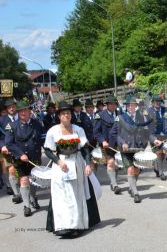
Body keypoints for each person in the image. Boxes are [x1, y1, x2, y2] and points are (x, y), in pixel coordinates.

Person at [44, 101, 100, 237]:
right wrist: (58, 161)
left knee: (76, 194)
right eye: (63, 114)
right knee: (62, 195)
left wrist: (87, 164)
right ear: (59, 116)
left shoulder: (78, 130)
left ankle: (77, 225)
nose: (66, 116)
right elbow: (47, 150)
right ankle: (64, 225)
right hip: (61, 165)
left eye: (68, 113)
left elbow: (85, 149)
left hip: (77, 163)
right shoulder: (53, 131)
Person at [110, 95, 161, 203]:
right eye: (128, 105)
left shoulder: (141, 118)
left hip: (138, 148)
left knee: (137, 170)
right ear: (126, 107)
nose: (130, 107)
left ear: (135, 106)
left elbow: (147, 133)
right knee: (130, 169)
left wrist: (154, 140)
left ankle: (132, 187)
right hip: (126, 149)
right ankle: (136, 192)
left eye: (132, 105)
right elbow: (115, 134)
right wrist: (122, 143)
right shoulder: (120, 118)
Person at [5, 100, 44, 217]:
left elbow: (43, 139)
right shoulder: (12, 126)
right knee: (24, 180)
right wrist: (20, 153)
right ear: (18, 112)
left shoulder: (37, 124)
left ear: (29, 111)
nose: (23, 112)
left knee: (33, 181)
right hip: (20, 158)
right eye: (21, 111)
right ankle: (27, 206)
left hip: (34, 157)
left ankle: (34, 198)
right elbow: (9, 143)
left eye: (25, 110)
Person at [0, 98, 22, 202]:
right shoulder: (1, 120)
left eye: (13, 106)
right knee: (12, 170)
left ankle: (27, 193)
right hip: (8, 150)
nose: (12, 108)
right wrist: (2, 146)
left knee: (24, 172)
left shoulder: (23, 116)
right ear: (6, 109)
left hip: (23, 149)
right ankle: (17, 193)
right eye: (9, 107)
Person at [93, 96, 122, 194]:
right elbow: (96, 131)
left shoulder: (120, 114)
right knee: (110, 162)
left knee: (117, 164)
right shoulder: (100, 115)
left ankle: (113, 181)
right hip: (107, 144)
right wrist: (102, 141)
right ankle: (115, 185)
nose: (113, 106)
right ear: (107, 105)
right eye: (111, 104)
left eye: (115, 104)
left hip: (119, 143)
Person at [147, 95, 167, 180]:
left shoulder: (164, 110)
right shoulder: (148, 111)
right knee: (158, 152)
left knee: (163, 153)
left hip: (164, 135)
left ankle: (156, 167)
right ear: (152, 103)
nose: (158, 103)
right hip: (154, 135)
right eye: (156, 102)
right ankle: (161, 172)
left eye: (159, 102)